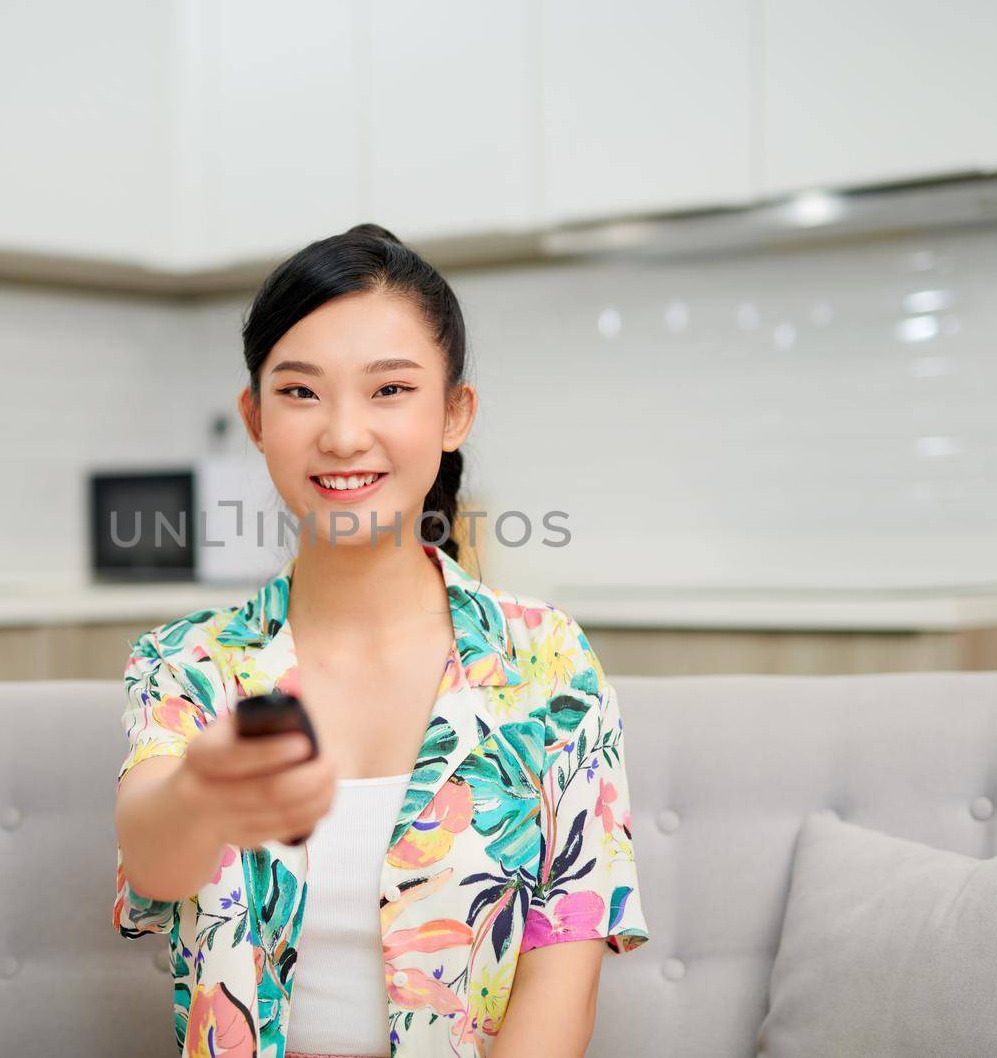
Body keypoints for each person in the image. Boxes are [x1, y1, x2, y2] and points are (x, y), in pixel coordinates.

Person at [112, 224, 650, 1057]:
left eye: (389, 390)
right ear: (255, 418)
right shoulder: (188, 663)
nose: (342, 434)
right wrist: (201, 794)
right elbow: (154, 862)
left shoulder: (548, 662)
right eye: (300, 393)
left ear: (454, 413)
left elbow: (562, 975)